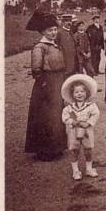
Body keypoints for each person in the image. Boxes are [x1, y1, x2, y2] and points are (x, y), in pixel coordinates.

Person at [24, 10, 67, 161]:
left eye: (55, 29)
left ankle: (57, 147)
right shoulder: (40, 47)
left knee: (57, 115)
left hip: (57, 83)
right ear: (43, 31)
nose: (54, 32)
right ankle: (45, 150)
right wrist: (43, 83)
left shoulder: (55, 45)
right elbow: (36, 69)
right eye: (50, 30)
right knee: (46, 116)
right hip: (46, 85)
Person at [61, 74, 100, 180]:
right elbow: (65, 117)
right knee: (74, 150)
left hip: (86, 131)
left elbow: (96, 114)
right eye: (76, 92)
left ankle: (89, 168)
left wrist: (89, 122)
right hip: (73, 131)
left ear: (86, 93)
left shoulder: (90, 105)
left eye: (82, 92)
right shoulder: (69, 107)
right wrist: (72, 122)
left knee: (88, 149)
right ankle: (75, 171)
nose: (79, 94)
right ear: (72, 94)